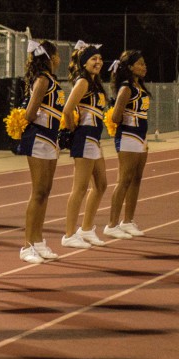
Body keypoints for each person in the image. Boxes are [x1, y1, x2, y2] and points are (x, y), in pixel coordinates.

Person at [17, 40, 64, 263]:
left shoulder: (51, 80)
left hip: (50, 139)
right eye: (57, 55)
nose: (59, 59)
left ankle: (37, 240)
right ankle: (27, 245)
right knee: (38, 192)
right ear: (50, 57)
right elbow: (29, 113)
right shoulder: (43, 80)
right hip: (38, 137)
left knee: (45, 192)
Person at [61, 42, 109, 248]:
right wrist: (73, 131)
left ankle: (87, 229)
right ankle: (69, 234)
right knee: (79, 188)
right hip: (85, 138)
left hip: (94, 140)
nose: (98, 62)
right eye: (93, 59)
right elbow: (67, 109)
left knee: (101, 184)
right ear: (84, 63)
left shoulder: (95, 83)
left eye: (99, 58)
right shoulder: (82, 82)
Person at [106, 50, 151, 239]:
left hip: (140, 138)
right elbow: (115, 116)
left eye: (144, 63)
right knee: (124, 180)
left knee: (136, 180)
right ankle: (112, 224)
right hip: (128, 137)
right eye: (140, 63)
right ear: (130, 67)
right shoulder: (126, 88)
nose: (144, 66)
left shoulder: (139, 86)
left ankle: (128, 221)